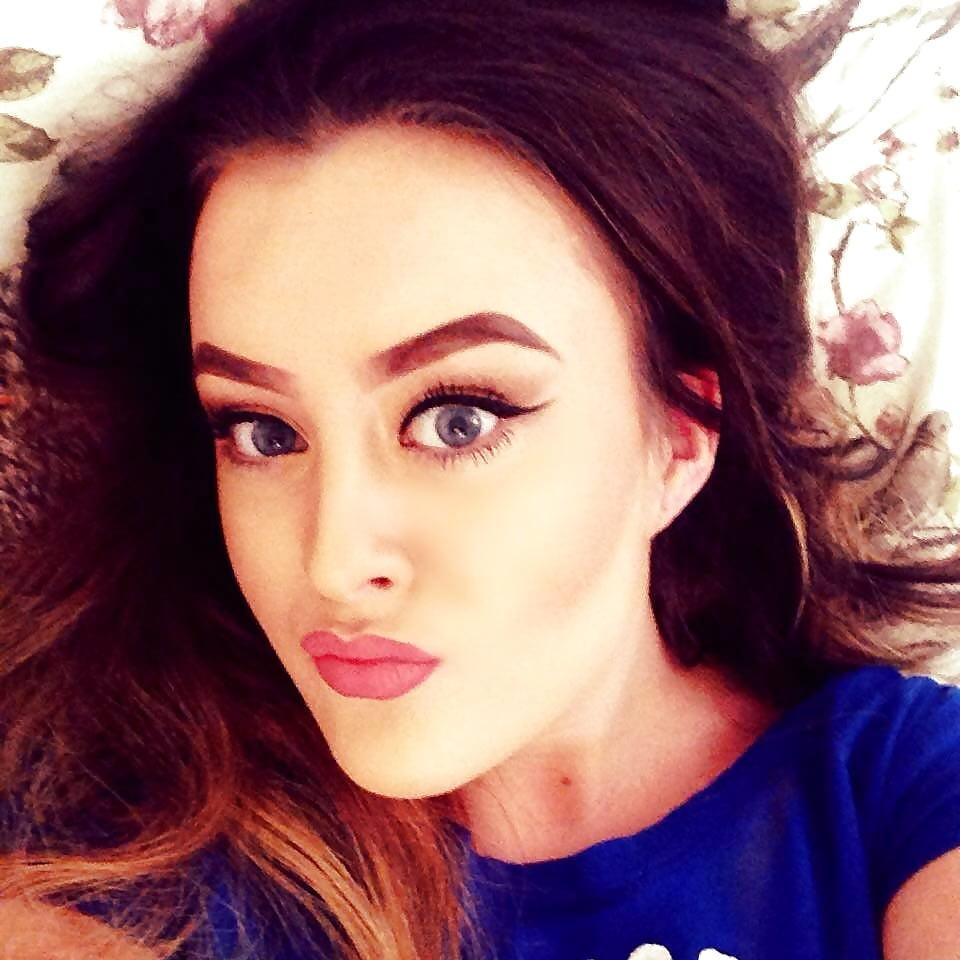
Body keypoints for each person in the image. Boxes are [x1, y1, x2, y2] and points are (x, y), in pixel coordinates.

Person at [1, 0, 960, 957]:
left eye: (457, 419)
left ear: (680, 433)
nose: (333, 563)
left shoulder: (901, 801)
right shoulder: (113, 858)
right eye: (262, 431)